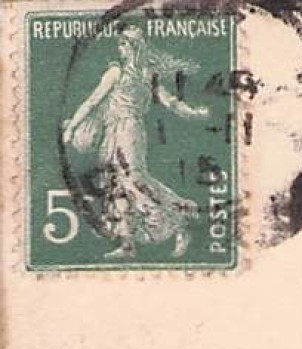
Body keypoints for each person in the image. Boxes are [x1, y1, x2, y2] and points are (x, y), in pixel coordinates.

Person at [60, 24, 212, 258]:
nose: (121, 48)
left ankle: (181, 217)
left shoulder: (132, 73)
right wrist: (192, 112)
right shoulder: (131, 73)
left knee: (135, 181)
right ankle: (128, 244)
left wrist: (192, 113)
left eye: (125, 44)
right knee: (117, 184)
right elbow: (93, 102)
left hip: (128, 131)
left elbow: (168, 101)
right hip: (116, 131)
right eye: (120, 44)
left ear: (135, 47)